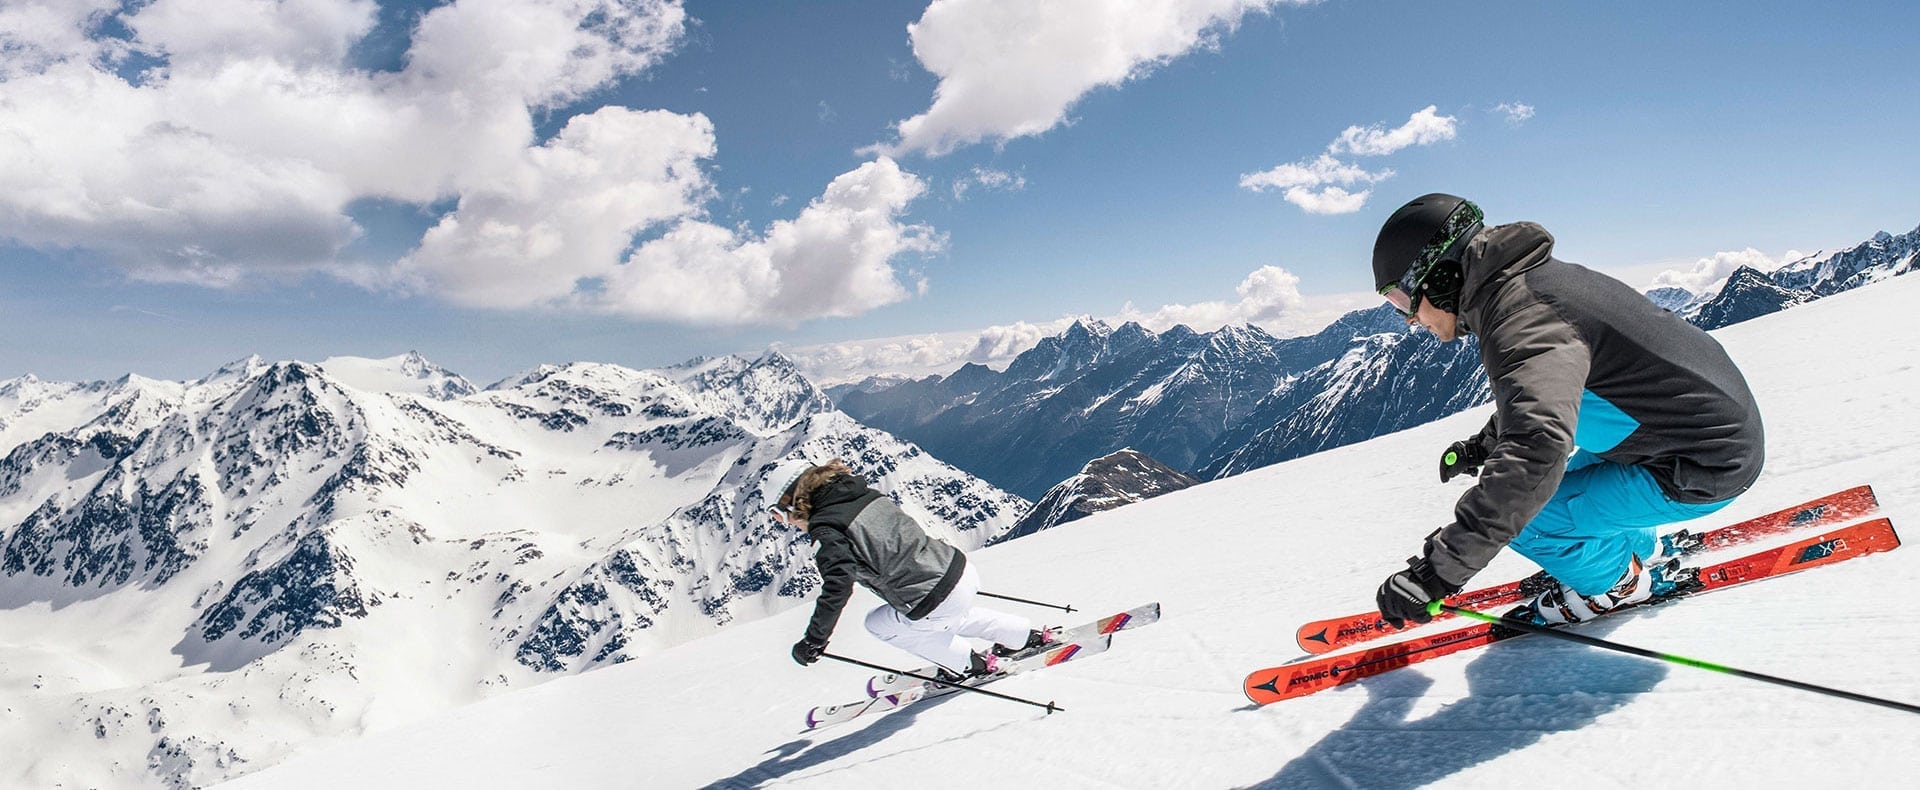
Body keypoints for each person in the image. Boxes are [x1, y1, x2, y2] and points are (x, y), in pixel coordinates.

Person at [1368, 193, 1765, 627]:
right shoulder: (1532, 286)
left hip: (1703, 463)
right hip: (1694, 433)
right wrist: (1481, 448)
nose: (1408, 318)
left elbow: (1535, 452)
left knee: (1534, 516)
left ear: (1440, 277)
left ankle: (1620, 586)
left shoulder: (1523, 318)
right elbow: (1550, 398)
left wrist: (1437, 573)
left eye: (1402, 299)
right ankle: (1637, 548)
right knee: (1558, 488)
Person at [763, 458, 1054, 680]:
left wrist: (814, 640)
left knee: (880, 624)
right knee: (945, 617)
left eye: (778, 515)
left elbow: (838, 584)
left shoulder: (826, 526)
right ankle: (1019, 635)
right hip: (958, 570)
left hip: (930, 594)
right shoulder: (861, 494)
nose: (785, 523)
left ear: (793, 501)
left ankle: (967, 665)